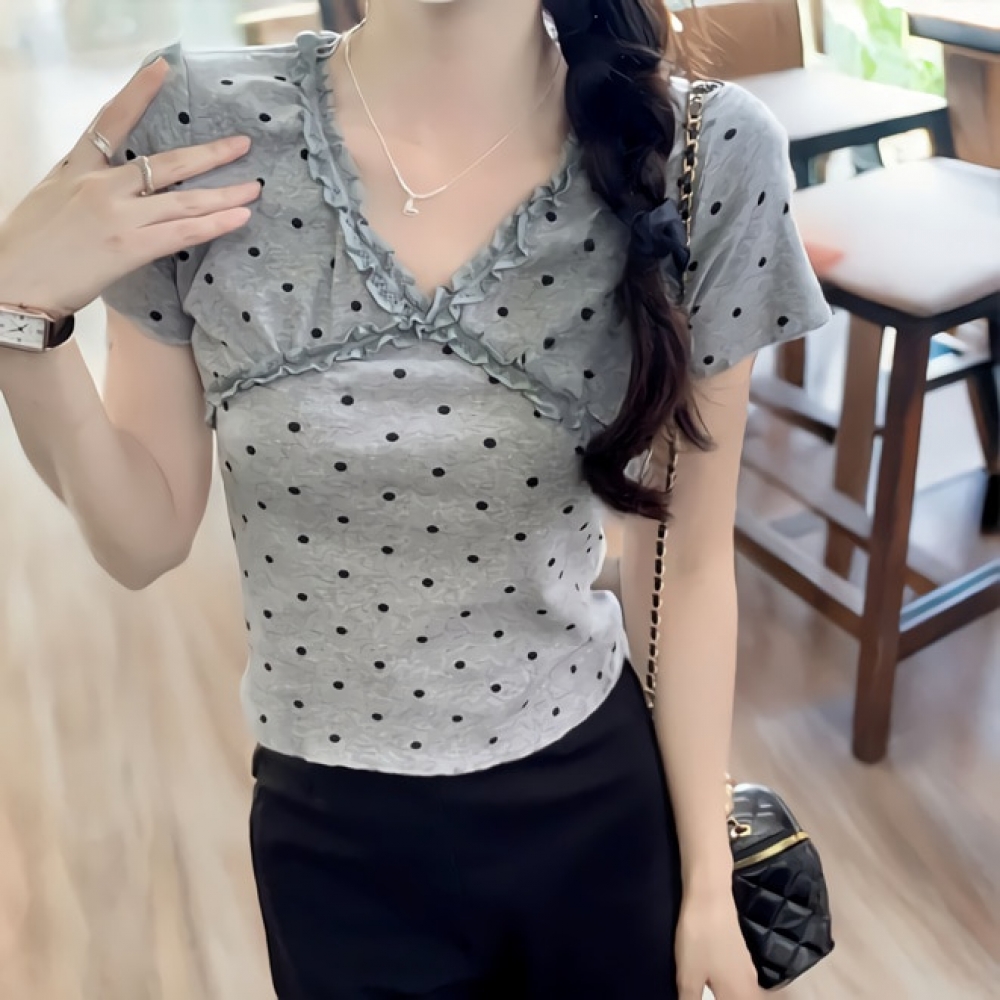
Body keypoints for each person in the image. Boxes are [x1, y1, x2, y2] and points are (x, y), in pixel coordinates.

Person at [0, 1, 834, 997]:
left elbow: (687, 561)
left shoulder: (704, 151)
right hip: (333, 843)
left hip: (594, 806)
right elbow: (141, 540)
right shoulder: (194, 127)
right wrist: (19, 319)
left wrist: (704, 883)